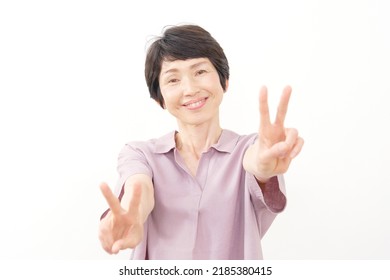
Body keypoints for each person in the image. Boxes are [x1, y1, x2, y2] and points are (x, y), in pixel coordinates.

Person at [98, 24, 304, 260]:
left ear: (224, 81)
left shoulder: (250, 149)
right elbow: (139, 189)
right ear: (160, 99)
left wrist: (264, 168)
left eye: (200, 72)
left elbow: (256, 162)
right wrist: (130, 215)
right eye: (173, 80)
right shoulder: (141, 154)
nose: (190, 89)